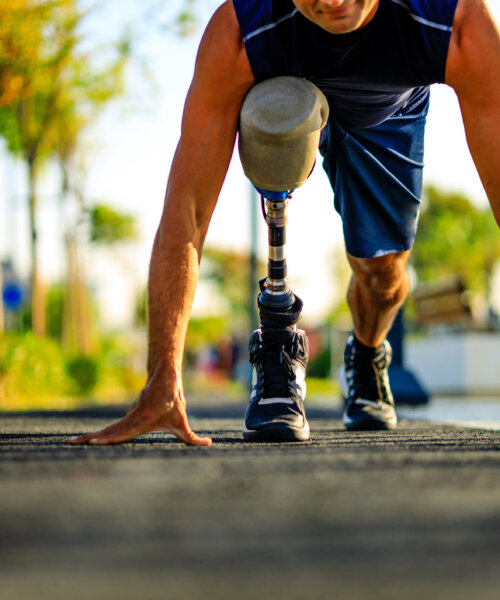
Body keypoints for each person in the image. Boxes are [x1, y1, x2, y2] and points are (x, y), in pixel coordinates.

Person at [70, 0, 500, 446]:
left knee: (383, 274)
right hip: (283, 93)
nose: (333, 1)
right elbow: (189, 210)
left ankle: (367, 353)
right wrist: (162, 378)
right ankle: (276, 342)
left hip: (385, 113)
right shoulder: (242, 29)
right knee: (274, 117)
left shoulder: (455, 20)